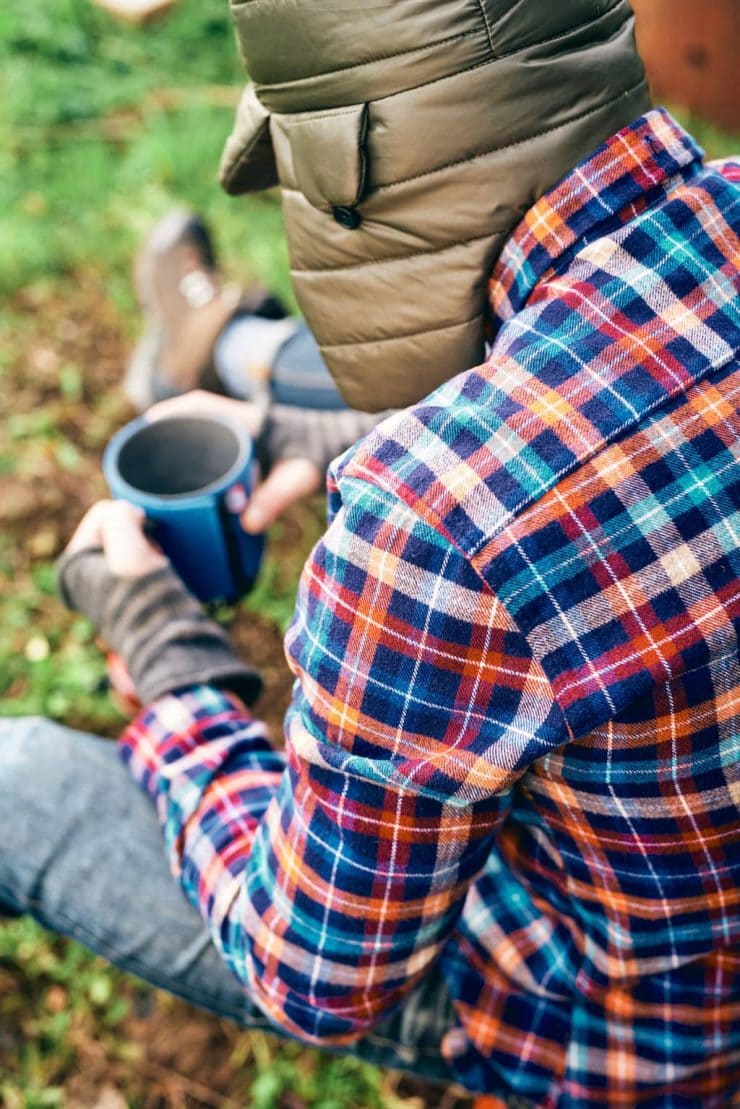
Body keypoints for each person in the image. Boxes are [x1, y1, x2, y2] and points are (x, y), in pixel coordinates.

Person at [1, 2, 738, 1106]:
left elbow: (313, 974)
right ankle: (219, 338)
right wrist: (355, 436)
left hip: (638, 1037)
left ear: (354, 176)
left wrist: (170, 665)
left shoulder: (432, 517)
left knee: (13, 782)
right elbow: (641, 406)